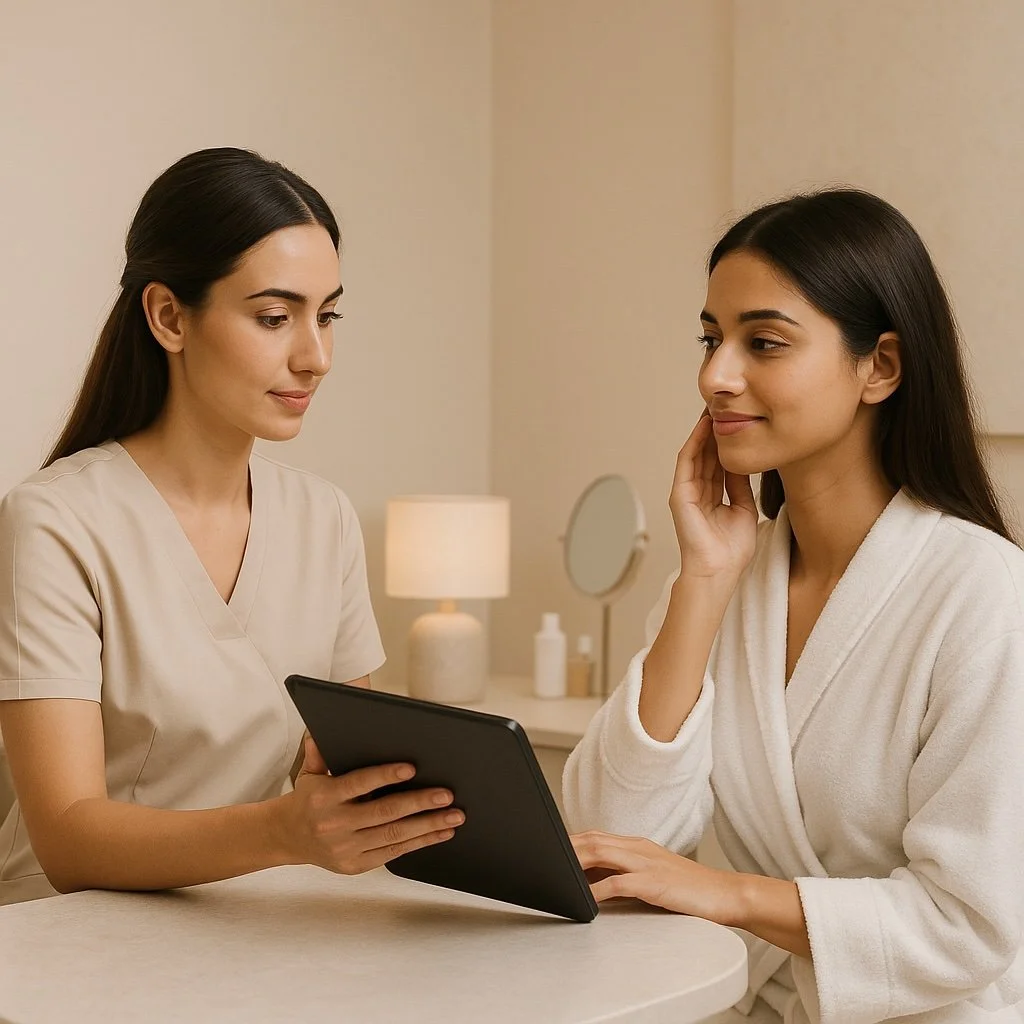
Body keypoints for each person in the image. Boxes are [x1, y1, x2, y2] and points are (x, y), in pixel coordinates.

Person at [564, 189, 1024, 1023]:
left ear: (879, 366)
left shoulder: (982, 594)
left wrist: (732, 895)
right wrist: (701, 583)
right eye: (710, 339)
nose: (716, 376)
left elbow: (969, 923)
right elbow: (611, 845)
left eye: (763, 342)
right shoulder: (729, 585)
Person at [0, 147, 464, 906]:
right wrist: (284, 833)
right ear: (168, 316)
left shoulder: (325, 518)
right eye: (275, 317)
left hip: (249, 925)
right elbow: (66, 838)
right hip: (66, 943)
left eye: (329, 315)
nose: (315, 357)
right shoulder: (55, 521)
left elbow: (343, 773)